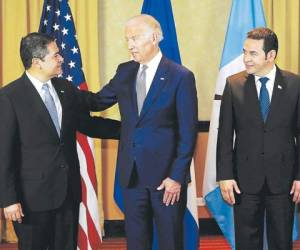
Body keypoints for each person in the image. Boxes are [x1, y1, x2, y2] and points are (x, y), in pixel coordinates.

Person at [84, 14, 198, 250]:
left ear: (155, 38)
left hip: (166, 180)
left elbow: (187, 134)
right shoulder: (125, 71)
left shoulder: (180, 76)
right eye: (127, 39)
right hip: (131, 176)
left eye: (134, 38)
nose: (130, 45)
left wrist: (176, 177)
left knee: (170, 241)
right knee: (136, 242)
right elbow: (97, 101)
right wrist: (62, 91)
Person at [0, 32, 120, 250]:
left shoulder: (65, 88)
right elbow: (3, 153)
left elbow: (91, 119)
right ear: (37, 62)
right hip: (31, 200)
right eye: (56, 55)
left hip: (68, 194)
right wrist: (8, 199)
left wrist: (134, 130)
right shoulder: (9, 97)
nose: (61, 59)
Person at [217, 27, 300, 250]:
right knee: (246, 243)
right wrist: (225, 175)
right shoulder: (233, 84)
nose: (246, 59)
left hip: (283, 180)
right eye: (245, 52)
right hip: (244, 180)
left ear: (270, 55)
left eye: (253, 54)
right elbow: (224, 135)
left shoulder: (295, 85)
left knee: (281, 242)